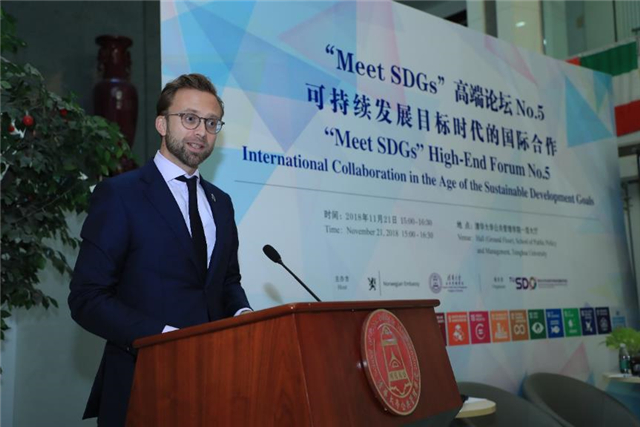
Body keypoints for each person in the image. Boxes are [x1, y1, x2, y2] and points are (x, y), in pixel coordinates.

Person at [69, 73, 251, 427]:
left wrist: (243, 314)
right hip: (143, 382)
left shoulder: (222, 203)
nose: (201, 131)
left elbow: (226, 280)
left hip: (215, 384)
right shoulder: (120, 195)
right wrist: (164, 338)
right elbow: (87, 298)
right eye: (190, 118)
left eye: (211, 123)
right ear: (161, 124)